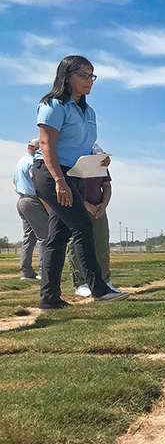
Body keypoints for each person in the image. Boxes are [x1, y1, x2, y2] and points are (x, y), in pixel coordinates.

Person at [32, 55, 129, 309]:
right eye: (84, 75)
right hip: (52, 173)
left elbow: (80, 146)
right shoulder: (54, 105)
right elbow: (46, 144)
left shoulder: (89, 111)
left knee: (58, 237)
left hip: (76, 173)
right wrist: (59, 181)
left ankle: (49, 299)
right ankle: (99, 289)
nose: (89, 81)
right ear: (67, 76)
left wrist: (99, 161)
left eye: (92, 76)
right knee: (83, 227)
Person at [68, 144, 115, 297]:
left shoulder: (102, 167)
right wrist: (88, 206)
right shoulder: (75, 165)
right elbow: (73, 189)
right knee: (76, 246)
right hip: (78, 208)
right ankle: (81, 283)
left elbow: (106, 186)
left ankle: (104, 281)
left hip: (99, 209)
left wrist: (103, 205)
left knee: (101, 244)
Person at [12, 138, 48, 280]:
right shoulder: (32, 162)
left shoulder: (21, 161)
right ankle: (44, 272)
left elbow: (14, 181)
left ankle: (26, 272)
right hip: (33, 201)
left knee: (29, 238)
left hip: (21, 199)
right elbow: (37, 181)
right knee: (45, 237)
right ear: (36, 149)